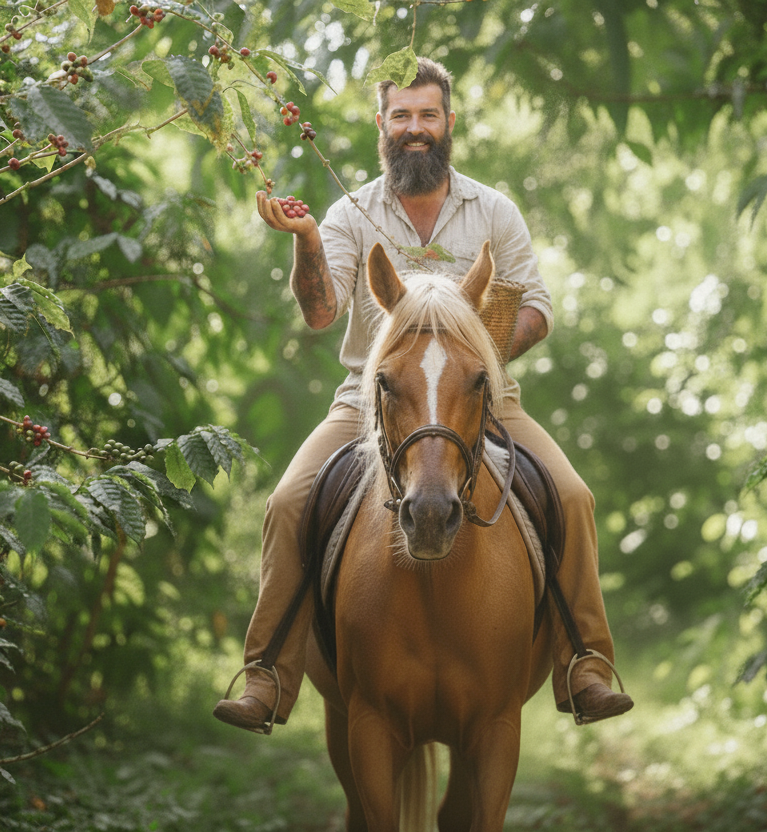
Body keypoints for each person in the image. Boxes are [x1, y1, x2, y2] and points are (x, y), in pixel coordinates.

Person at [214, 57, 632, 733]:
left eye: (428, 116)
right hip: (368, 401)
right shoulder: (350, 212)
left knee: (574, 496)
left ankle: (584, 661)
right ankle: (267, 676)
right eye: (402, 116)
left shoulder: (494, 210)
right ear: (382, 126)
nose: (416, 129)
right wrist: (308, 241)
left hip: (483, 397)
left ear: (449, 123)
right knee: (288, 502)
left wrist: (471, 359)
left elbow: (538, 309)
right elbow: (321, 312)